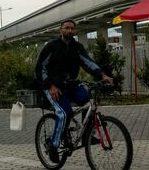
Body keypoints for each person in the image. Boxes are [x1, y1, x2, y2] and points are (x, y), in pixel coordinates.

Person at [35, 19, 113, 164]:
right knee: (65, 113)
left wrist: (102, 75)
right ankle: (53, 146)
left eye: (72, 29)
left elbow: (87, 62)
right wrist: (50, 86)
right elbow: (40, 68)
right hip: (54, 87)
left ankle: (86, 136)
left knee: (89, 101)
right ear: (61, 30)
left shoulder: (77, 47)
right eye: (67, 28)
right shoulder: (51, 47)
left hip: (71, 85)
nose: (70, 31)